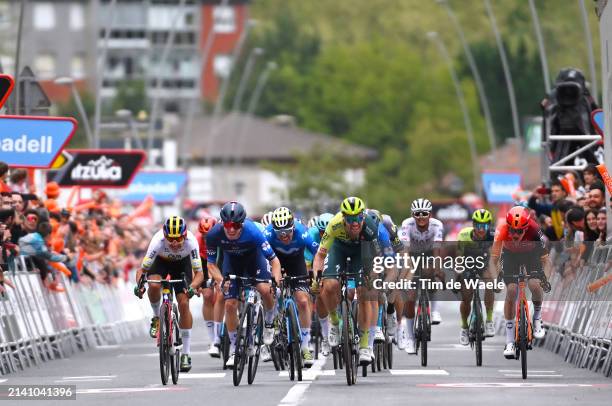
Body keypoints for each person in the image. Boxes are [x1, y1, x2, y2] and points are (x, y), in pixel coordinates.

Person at [205, 201, 281, 368]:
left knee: (264, 289)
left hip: (254, 262)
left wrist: (275, 281)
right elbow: (211, 265)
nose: (231, 229)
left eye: (236, 225)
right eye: (228, 225)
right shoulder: (213, 234)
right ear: (222, 223)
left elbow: (274, 260)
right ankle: (234, 349)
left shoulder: (253, 231)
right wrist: (220, 280)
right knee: (230, 304)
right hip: (231, 264)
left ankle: (269, 322)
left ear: (242, 224)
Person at [312, 196, 380, 365]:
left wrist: (372, 275)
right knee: (329, 285)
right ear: (343, 218)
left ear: (363, 217)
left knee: (364, 291)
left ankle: (365, 346)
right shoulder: (334, 225)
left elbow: (376, 257)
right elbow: (320, 255)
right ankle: (334, 321)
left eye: (357, 218)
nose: (354, 223)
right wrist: (316, 278)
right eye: (350, 219)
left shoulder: (370, 228)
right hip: (338, 250)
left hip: (361, 253)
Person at [135, 215, 204, 372]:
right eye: (170, 239)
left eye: (178, 239)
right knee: (153, 285)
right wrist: (139, 285)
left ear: (184, 235)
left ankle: (185, 353)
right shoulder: (157, 241)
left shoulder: (191, 243)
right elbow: (142, 270)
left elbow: (199, 274)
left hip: (182, 265)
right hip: (160, 262)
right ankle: (156, 317)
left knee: (184, 302)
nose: (173, 243)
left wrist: (193, 287)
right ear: (164, 235)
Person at [491, 206, 549, 359]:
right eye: (512, 231)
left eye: (519, 231)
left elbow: (544, 257)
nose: (515, 235)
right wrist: (496, 277)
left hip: (531, 255)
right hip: (511, 256)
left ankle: (537, 318)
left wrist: (544, 276)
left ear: (527, 227)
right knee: (511, 290)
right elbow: (494, 258)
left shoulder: (535, 229)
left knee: (534, 285)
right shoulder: (502, 229)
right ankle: (510, 340)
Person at [264, 206, 319, 367]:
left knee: (302, 301)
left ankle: (305, 346)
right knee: (272, 291)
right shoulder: (267, 234)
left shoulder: (302, 232)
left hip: (296, 263)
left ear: (293, 227)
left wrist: (316, 275)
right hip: (275, 261)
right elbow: (259, 256)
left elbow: (319, 254)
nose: (284, 236)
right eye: (280, 233)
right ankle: (274, 321)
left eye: (287, 231)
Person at [397, 198, 444, 354]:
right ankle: (410, 338)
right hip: (411, 254)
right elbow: (405, 252)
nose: (421, 217)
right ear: (413, 214)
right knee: (410, 295)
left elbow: (437, 251)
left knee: (430, 272)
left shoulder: (437, 225)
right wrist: (407, 271)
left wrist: (438, 269)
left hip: (431, 254)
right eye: (418, 214)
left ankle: (435, 310)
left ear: (430, 214)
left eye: (424, 213)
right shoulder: (406, 224)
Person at [456, 209, 496, 346]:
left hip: (484, 264)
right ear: (473, 225)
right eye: (478, 226)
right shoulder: (464, 235)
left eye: (484, 226)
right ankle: (464, 327)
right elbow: (459, 259)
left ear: (488, 226)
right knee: (466, 296)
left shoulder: (492, 236)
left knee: (490, 284)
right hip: (467, 264)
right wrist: (458, 277)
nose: (481, 230)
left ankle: (489, 320)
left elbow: (493, 260)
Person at [304, 212, 334, 356]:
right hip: (318, 263)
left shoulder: (339, 232)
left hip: (335, 262)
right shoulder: (311, 235)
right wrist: (313, 281)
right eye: (321, 231)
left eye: (326, 231)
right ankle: (326, 337)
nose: (324, 234)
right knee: (320, 293)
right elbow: (309, 264)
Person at [196, 214, 222, 358]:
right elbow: (195, 264)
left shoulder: (221, 236)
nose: (206, 238)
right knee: (207, 295)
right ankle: (213, 339)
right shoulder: (197, 241)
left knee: (221, 292)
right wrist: (198, 283)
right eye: (204, 236)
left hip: (218, 261)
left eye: (209, 235)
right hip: (204, 262)